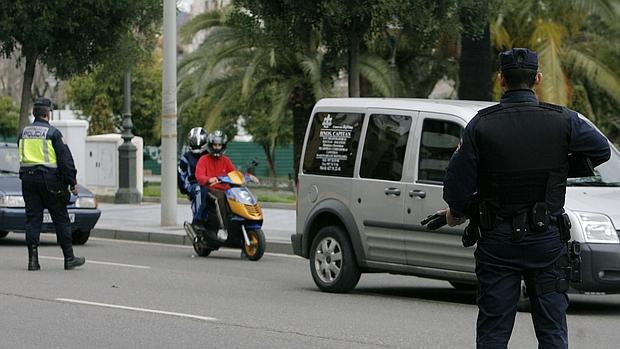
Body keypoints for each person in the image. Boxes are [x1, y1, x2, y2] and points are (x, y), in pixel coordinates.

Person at [442, 48, 610, 348]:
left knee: (493, 332)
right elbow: (602, 150)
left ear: (501, 79)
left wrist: (457, 211)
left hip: (497, 242)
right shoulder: (563, 120)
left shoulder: (481, 125)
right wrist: (560, 168)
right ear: (538, 79)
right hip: (546, 241)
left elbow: (456, 186)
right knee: (552, 332)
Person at [17, 97, 86, 271]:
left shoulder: (23, 133)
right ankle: (69, 258)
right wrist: (72, 182)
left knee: (33, 220)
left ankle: (33, 261)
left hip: (28, 180)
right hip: (50, 181)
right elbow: (65, 161)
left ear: (35, 113)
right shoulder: (53, 133)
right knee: (61, 218)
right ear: (48, 114)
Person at [194, 130, 235, 234]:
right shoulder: (204, 159)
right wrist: (209, 179)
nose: (217, 147)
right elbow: (199, 176)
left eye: (219, 145)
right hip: (210, 189)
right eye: (215, 145)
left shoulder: (226, 160)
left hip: (226, 190)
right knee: (220, 197)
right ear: (211, 145)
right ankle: (223, 228)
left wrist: (246, 177)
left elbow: (233, 174)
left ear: (223, 146)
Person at [177, 127, 209, 224]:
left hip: (210, 183)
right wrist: (184, 189)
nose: (196, 144)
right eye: (193, 141)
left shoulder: (209, 155)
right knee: (198, 189)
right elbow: (181, 174)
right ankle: (198, 220)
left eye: (198, 141)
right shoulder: (186, 157)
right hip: (193, 184)